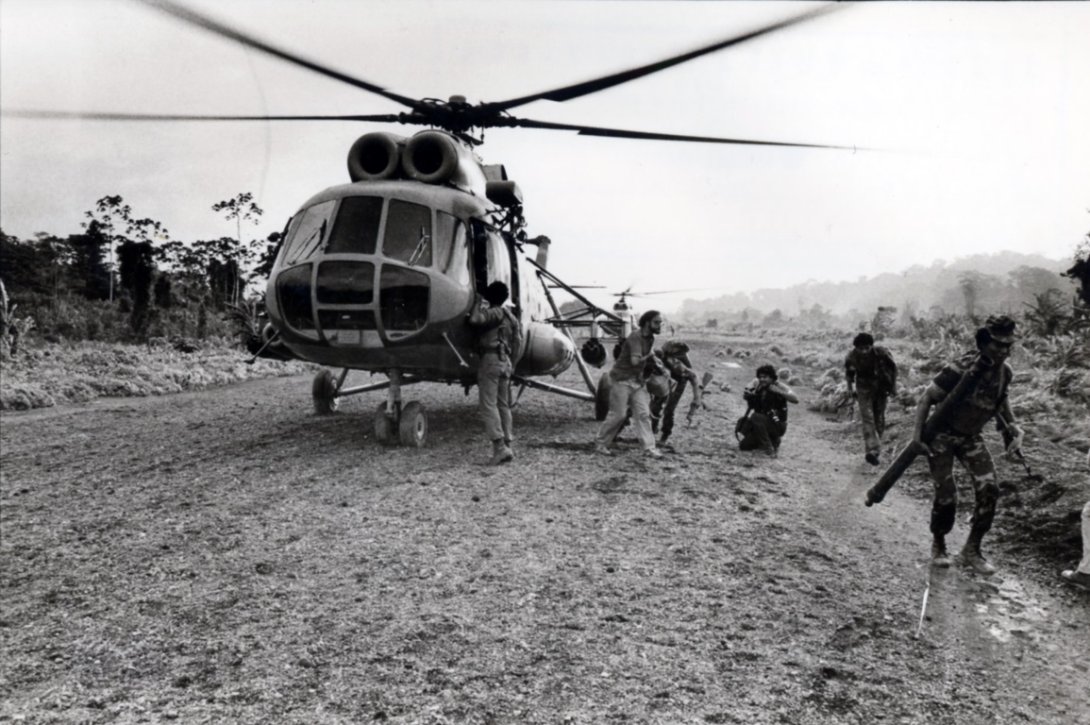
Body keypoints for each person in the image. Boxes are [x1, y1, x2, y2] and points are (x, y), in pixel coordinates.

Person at [914, 314, 1024, 573]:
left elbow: (1001, 401)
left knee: (989, 488)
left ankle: (972, 550)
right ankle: (939, 544)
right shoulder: (961, 368)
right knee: (947, 492)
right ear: (984, 343)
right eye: (997, 344)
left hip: (971, 437)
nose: (1003, 351)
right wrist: (917, 438)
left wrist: (1013, 426)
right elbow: (926, 398)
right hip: (941, 434)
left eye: (1008, 345)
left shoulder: (1005, 373)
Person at [595, 310, 664, 459]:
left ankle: (649, 448)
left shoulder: (650, 338)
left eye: (660, 322)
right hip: (621, 380)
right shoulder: (635, 337)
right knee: (618, 415)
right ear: (647, 323)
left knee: (644, 414)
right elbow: (634, 361)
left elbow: (643, 357)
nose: (660, 325)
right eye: (656, 322)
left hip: (636, 381)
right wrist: (650, 356)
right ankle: (601, 443)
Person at [467, 281, 521, 465]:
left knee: (488, 405)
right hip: (505, 362)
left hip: (490, 360)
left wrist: (476, 301)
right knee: (503, 405)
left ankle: (499, 448)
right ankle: (507, 445)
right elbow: (518, 342)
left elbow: (475, 319)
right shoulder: (511, 317)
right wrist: (511, 364)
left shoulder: (496, 312)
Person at [845, 332, 898, 466]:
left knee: (878, 417)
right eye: (860, 348)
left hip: (881, 387)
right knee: (867, 418)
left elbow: (893, 369)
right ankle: (872, 449)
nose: (864, 351)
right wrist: (850, 389)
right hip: (863, 388)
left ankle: (875, 450)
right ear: (856, 348)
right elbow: (850, 373)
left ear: (871, 346)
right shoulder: (851, 357)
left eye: (866, 348)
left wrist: (893, 387)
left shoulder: (882, 353)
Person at [737, 364, 799, 456]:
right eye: (760, 377)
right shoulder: (759, 386)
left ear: (772, 377)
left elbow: (795, 399)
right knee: (744, 446)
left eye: (765, 377)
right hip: (764, 423)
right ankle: (773, 441)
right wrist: (749, 396)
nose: (762, 379)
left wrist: (778, 391)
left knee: (756, 417)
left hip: (778, 424)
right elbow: (749, 388)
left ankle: (767, 448)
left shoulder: (779, 386)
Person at [650, 340, 703, 445]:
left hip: (679, 381)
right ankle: (651, 432)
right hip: (666, 379)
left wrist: (697, 397)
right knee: (655, 406)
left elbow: (692, 376)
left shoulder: (674, 363)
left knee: (669, 409)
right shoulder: (656, 358)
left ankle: (664, 436)